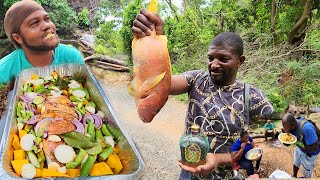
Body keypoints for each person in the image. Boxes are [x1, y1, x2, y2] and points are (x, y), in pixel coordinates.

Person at [132, 9, 274, 179]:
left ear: (240, 61)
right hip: (189, 172)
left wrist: (218, 159)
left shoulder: (253, 98)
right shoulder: (196, 79)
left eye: (223, 59)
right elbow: (162, 84)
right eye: (211, 58)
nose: (214, 64)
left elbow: (259, 147)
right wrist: (156, 40)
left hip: (226, 175)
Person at [0, 0, 84, 84]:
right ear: (18, 38)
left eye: (47, 19)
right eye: (34, 23)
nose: (47, 26)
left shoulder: (71, 56)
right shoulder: (4, 71)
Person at [282, 113, 319, 178]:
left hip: (310, 153)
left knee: (307, 171)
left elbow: (315, 147)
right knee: (296, 162)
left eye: (286, 128)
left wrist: (298, 144)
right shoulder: (292, 126)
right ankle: (294, 176)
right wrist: (286, 138)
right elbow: (289, 143)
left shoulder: (307, 129)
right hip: (300, 147)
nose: (285, 130)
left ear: (293, 125)